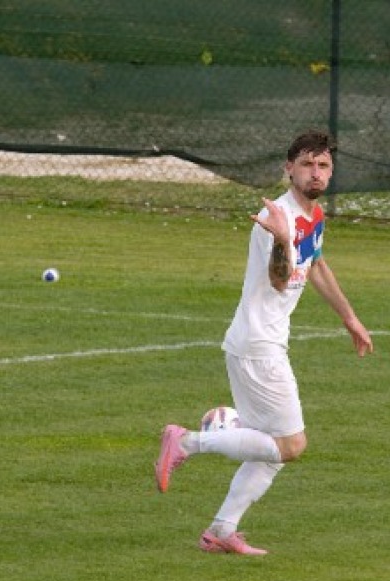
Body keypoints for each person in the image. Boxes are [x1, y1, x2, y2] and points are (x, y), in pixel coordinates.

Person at [154, 130, 373, 555]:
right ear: (288, 168)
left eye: (323, 165)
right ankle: (185, 442)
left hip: (256, 343)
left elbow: (318, 266)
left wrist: (350, 318)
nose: (316, 173)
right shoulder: (276, 217)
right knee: (292, 445)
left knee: (270, 450)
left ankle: (221, 530)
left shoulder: (314, 215)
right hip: (260, 347)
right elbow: (278, 279)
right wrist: (280, 240)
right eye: (307, 164)